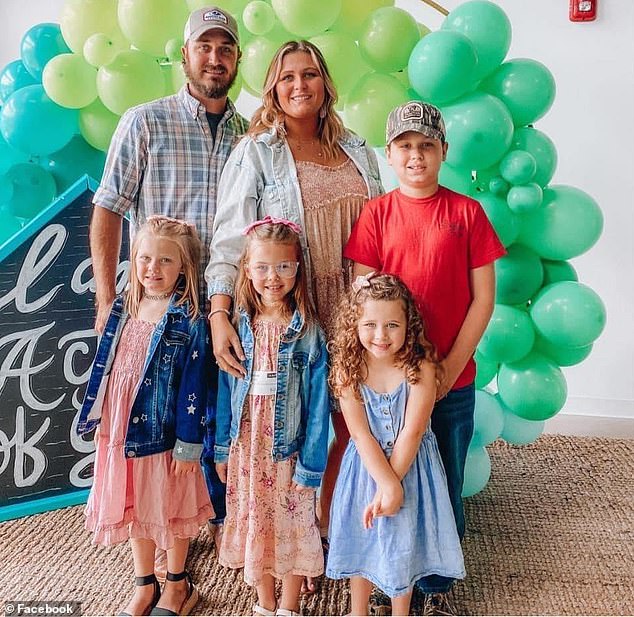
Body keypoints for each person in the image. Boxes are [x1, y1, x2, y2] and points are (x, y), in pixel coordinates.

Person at [205, 41, 383, 585]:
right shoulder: (257, 152)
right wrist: (219, 311)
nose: (299, 85)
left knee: (356, 427)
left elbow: (382, 230)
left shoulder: (360, 150)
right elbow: (231, 239)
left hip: (357, 310)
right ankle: (290, 538)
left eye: (310, 74)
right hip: (293, 313)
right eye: (287, 78)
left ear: (327, 83)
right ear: (273, 89)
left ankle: (338, 530)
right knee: (292, 429)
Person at [90, 5, 248, 544]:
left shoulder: (248, 135)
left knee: (224, 418)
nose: (214, 58)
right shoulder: (145, 120)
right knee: (159, 429)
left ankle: (224, 522)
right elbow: (109, 208)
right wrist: (107, 297)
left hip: (227, 303)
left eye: (225, 48)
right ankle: (162, 544)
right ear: (185, 55)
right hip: (160, 312)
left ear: (237, 61)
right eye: (204, 47)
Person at [344, 101, 506, 614]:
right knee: (389, 474)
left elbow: (483, 300)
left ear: (443, 152)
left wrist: (448, 370)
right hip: (387, 386)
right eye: (405, 147)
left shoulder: (466, 213)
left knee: (443, 481)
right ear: (389, 155)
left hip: (449, 384)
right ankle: (390, 572)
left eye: (426, 146)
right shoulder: (376, 214)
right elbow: (361, 299)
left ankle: (432, 580)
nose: (416, 156)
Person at [77, 216, 212, 616]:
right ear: (132, 260)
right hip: (122, 430)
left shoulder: (188, 319)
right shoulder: (124, 307)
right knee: (135, 503)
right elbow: (108, 368)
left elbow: (195, 388)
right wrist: (101, 416)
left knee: (171, 507)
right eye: (144, 259)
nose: (153, 269)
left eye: (166, 261)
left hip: (164, 434)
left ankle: (177, 583)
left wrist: (190, 445)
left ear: (184, 268)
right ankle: (144, 583)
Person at [326, 273, 465, 616]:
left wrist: (395, 485)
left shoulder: (421, 368)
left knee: (403, 544)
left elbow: (413, 432)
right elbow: (360, 434)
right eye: (370, 324)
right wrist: (386, 484)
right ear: (354, 325)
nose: (380, 335)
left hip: (412, 468)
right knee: (362, 540)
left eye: (392, 325)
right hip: (366, 469)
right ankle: (358, 611)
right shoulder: (348, 368)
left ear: (408, 325)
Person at [213, 218, 330, 616]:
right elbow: (226, 389)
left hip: (289, 452)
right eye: (262, 267)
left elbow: (317, 408)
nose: (272, 277)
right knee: (256, 522)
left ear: (298, 269)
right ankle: (265, 604)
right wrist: (221, 448)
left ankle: (290, 606)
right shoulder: (238, 327)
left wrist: (311, 467)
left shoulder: (309, 332)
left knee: (294, 525)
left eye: (283, 266)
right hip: (248, 447)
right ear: (247, 269)